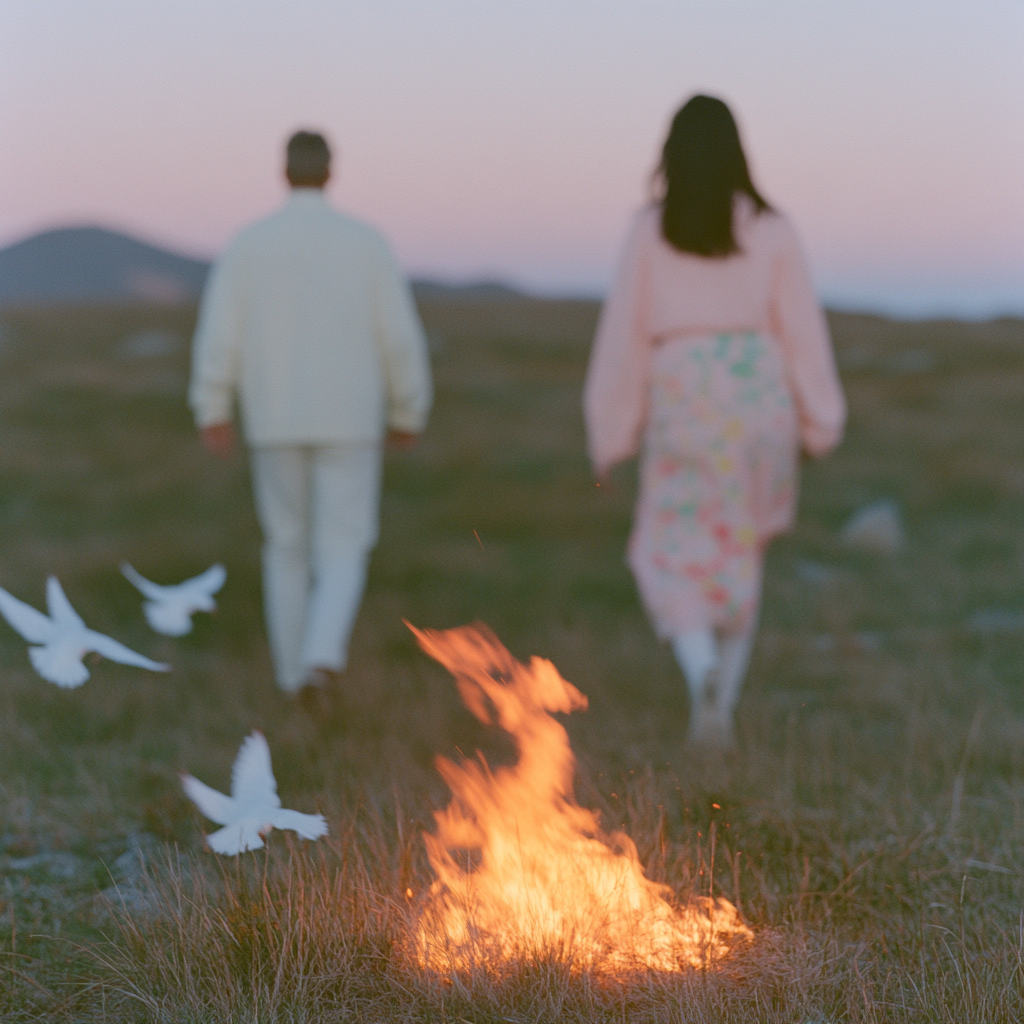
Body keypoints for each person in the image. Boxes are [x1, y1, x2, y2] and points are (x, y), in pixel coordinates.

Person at [584, 96, 845, 746]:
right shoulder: (774, 228)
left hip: (686, 396)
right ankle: (721, 705)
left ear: (670, 155)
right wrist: (820, 423)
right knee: (741, 547)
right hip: (759, 396)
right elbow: (803, 335)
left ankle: (697, 664)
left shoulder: (648, 230)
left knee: (669, 549)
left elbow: (624, 338)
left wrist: (610, 436)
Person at [189, 130, 432, 702]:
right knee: (343, 544)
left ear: (284, 171)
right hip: (350, 418)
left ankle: (292, 676)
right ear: (331, 171)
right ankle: (322, 659)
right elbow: (398, 335)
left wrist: (213, 404)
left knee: (286, 546)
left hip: (274, 417)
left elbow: (219, 332)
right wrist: (408, 407)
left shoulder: (250, 243)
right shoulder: (366, 242)